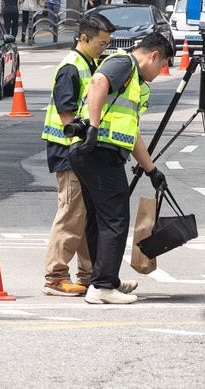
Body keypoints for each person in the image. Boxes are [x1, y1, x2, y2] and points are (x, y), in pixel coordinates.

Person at [66, 32, 173, 304]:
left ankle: (105, 279)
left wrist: (151, 170)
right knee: (115, 218)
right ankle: (102, 286)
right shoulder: (124, 63)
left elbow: (132, 132)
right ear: (154, 56)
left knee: (100, 219)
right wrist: (93, 126)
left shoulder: (133, 80)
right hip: (98, 151)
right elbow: (98, 81)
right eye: (161, 66)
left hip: (95, 152)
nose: (160, 73)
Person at [40, 13, 111, 297]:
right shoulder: (71, 67)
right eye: (100, 43)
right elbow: (67, 114)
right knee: (71, 213)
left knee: (82, 214)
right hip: (69, 150)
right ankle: (55, 276)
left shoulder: (89, 63)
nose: (103, 49)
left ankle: (88, 274)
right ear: (83, 38)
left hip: (79, 150)